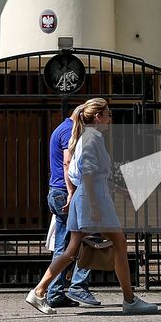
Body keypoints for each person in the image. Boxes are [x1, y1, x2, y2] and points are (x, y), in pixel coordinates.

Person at [26, 98, 157, 316]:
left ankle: (39, 291)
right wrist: (95, 206)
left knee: (72, 250)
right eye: (109, 114)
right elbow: (86, 171)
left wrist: (120, 191)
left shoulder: (85, 136)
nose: (110, 118)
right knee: (119, 244)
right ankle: (129, 299)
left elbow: (89, 173)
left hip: (85, 197)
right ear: (98, 116)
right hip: (92, 199)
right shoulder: (92, 137)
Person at [46, 110, 99, 308]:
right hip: (66, 192)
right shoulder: (70, 131)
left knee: (64, 244)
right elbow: (68, 162)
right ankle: (78, 286)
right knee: (90, 238)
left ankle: (54, 293)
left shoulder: (61, 128)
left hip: (55, 191)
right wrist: (71, 192)